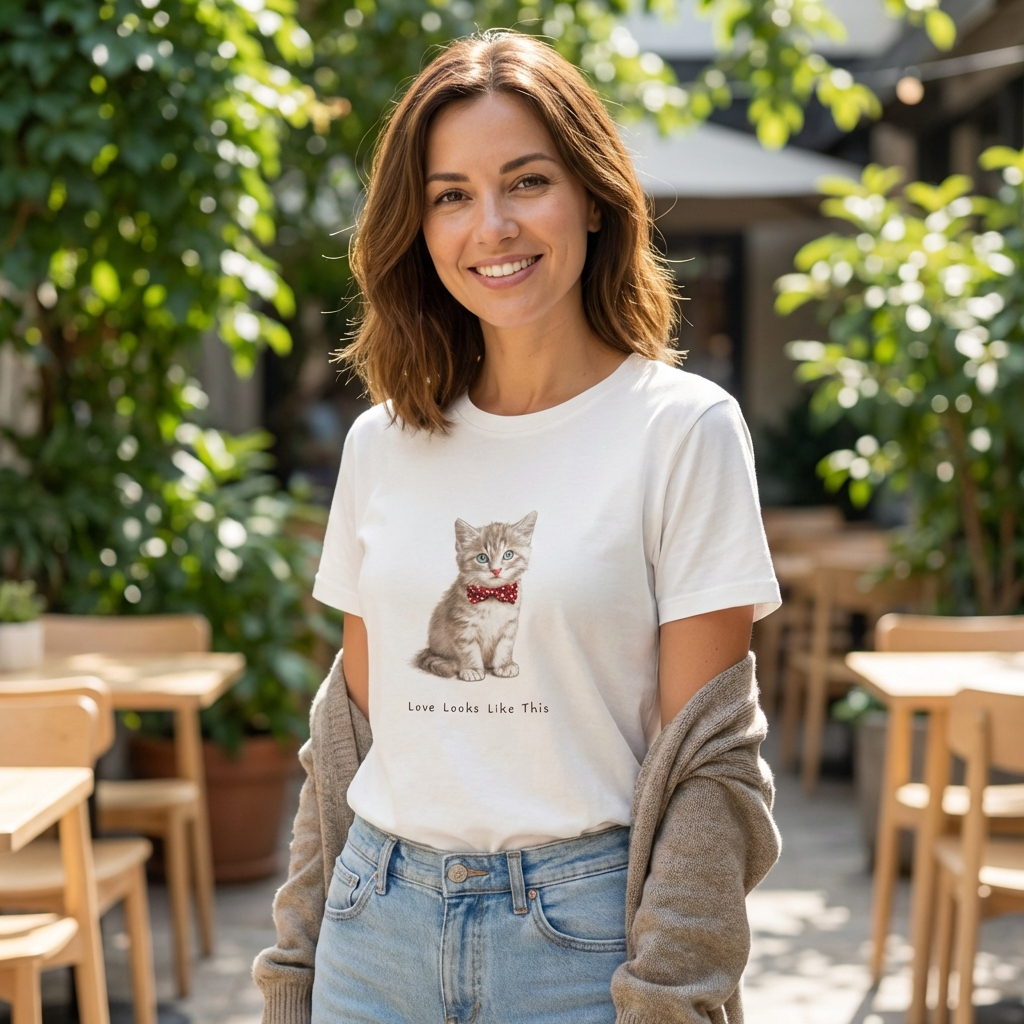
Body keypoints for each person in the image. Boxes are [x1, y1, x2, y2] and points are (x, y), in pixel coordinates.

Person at [254, 30, 781, 1024]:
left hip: (583, 947)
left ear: (592, 195)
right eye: (451, 195)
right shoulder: (381, 442)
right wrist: (294, 970)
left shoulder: (682, 430)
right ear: (419, 226)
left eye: (526, 182)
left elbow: (710, 764)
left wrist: (672, 995)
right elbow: (346, 741)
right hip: (372, 930)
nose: (491, 226)